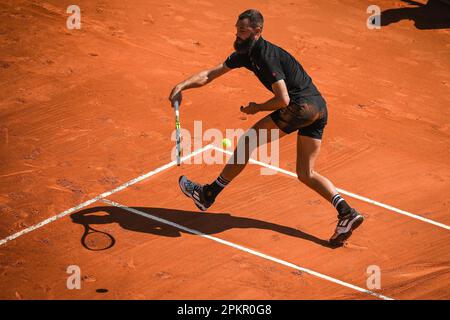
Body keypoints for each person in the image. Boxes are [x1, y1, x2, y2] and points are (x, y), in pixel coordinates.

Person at [168, 9, 364, 246]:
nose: (237, 35)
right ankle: (346, 212)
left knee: (248, 141)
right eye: (236, 29)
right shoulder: (244, 53)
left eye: (242, 31)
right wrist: (182, 86)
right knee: (306, 173)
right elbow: (211, 74)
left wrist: (257, 108)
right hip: (319, 108)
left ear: (257, 32)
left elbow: (283, 99)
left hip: (301, 106)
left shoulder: (265, 55)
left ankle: (208, 194)